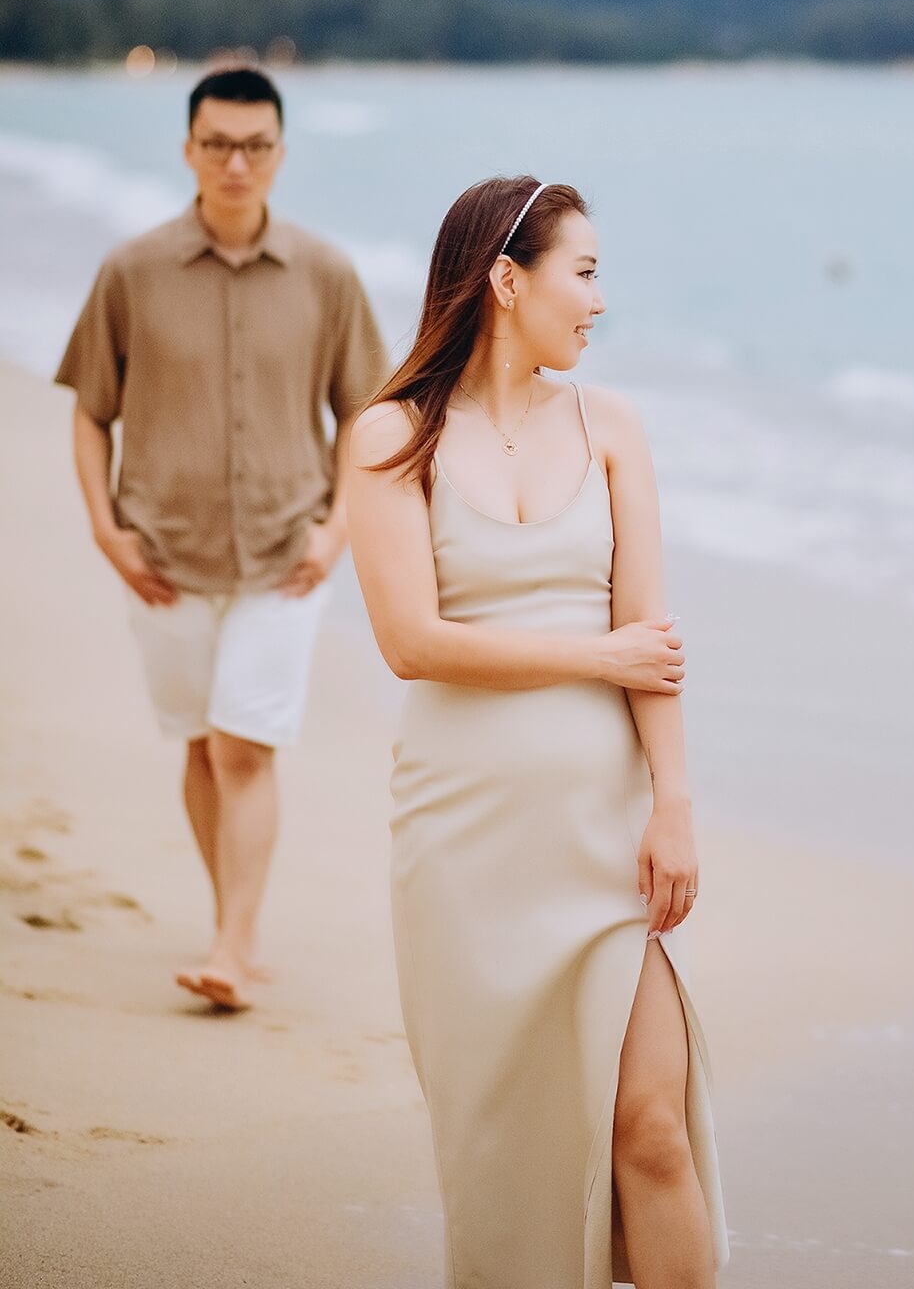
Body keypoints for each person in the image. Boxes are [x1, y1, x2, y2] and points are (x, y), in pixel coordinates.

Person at [347, 176, 729, 1288]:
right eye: (587, 271)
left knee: (650, 1126)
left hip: (604, 835)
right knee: (504, 1146)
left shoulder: (611, 427)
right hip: (465, 843)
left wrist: (673, 804)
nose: (600, 300)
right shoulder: (392, 434)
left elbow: (646, 641)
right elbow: (411, 641)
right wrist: (591, 655)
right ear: (508, 281)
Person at [55, 65, 388, 1012]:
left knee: (245, 745)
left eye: (255, 146)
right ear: (189, 149)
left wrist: (338, 533)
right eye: (217, 144)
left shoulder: (327, 273)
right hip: (161, 553)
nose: (236, 163)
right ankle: (228, 921)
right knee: (203, 745)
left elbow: (369, 416)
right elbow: (90, 412)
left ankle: (233, 950)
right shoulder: (132, 269)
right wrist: (105, 529)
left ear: (280, 154)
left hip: (287, 557)